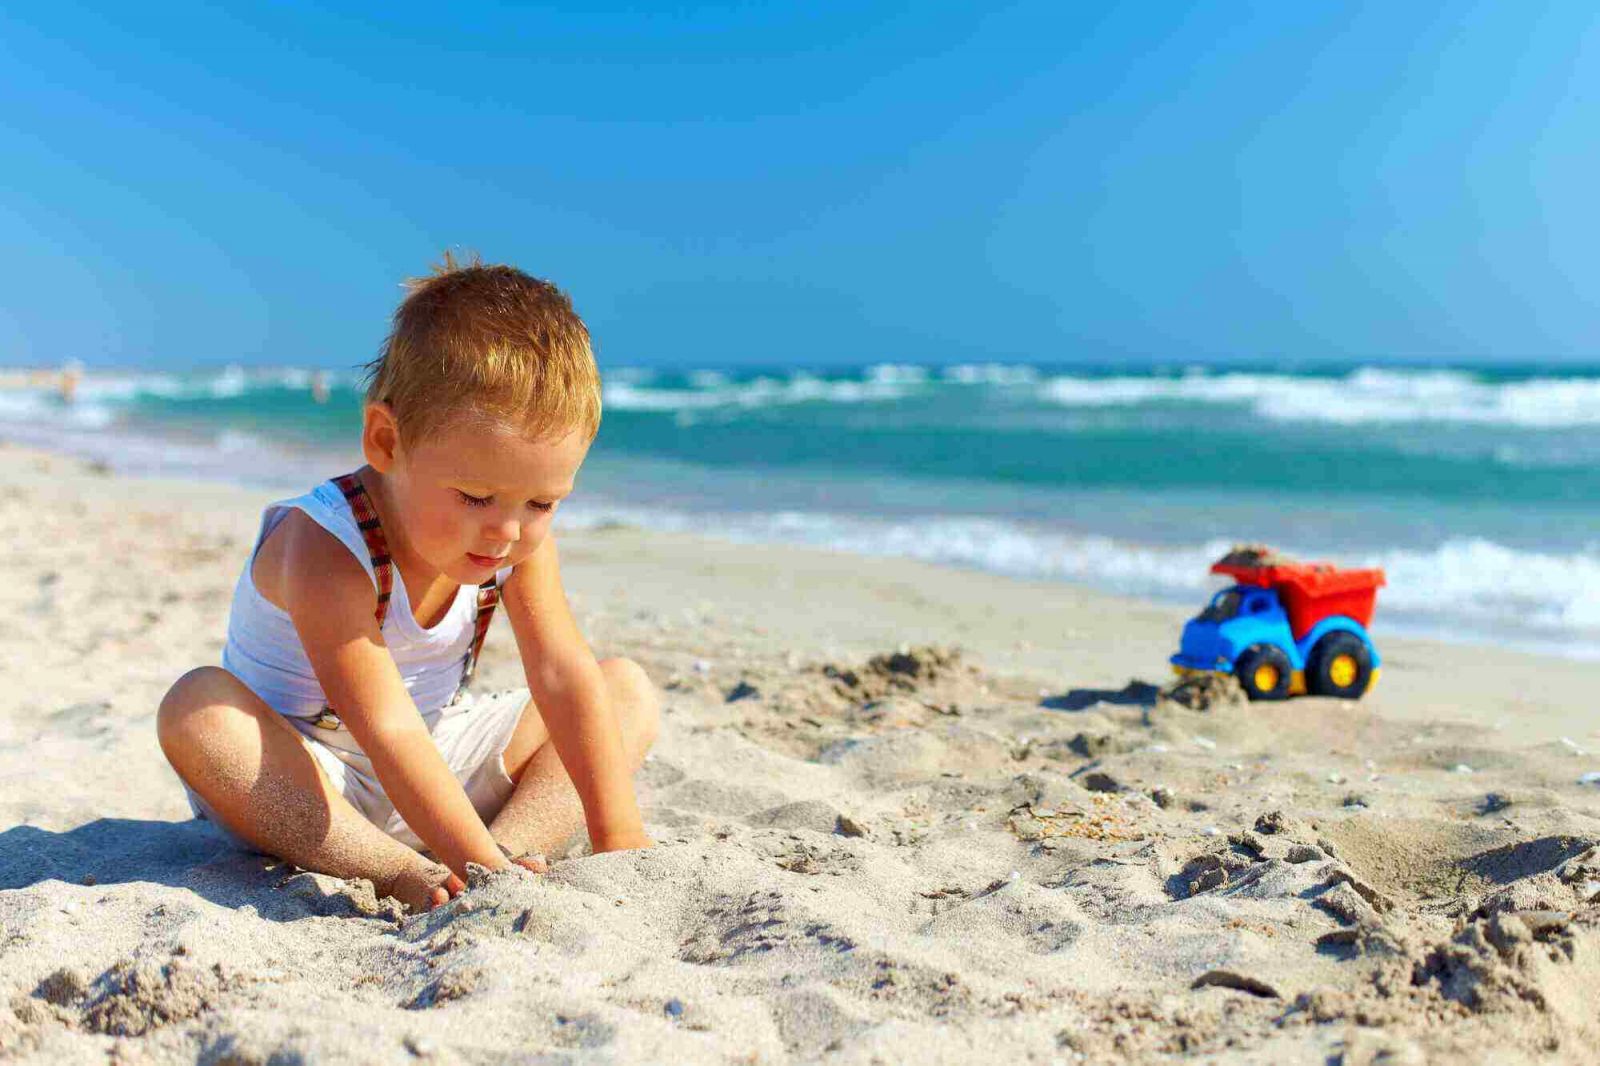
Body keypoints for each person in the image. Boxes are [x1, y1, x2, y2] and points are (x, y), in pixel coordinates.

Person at [156, 256, 658, 913]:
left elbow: (561, 674)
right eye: (476, 496)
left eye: (543, 503)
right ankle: (399, 868)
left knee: (624, 691)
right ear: (386, 441)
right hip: (311, 780)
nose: (507, 532)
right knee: (198, 711)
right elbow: (384, 726)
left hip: (439, 757)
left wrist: (617, 835)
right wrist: (463, 859)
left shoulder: (509, 536)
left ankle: (505, 851)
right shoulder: (325, 546)